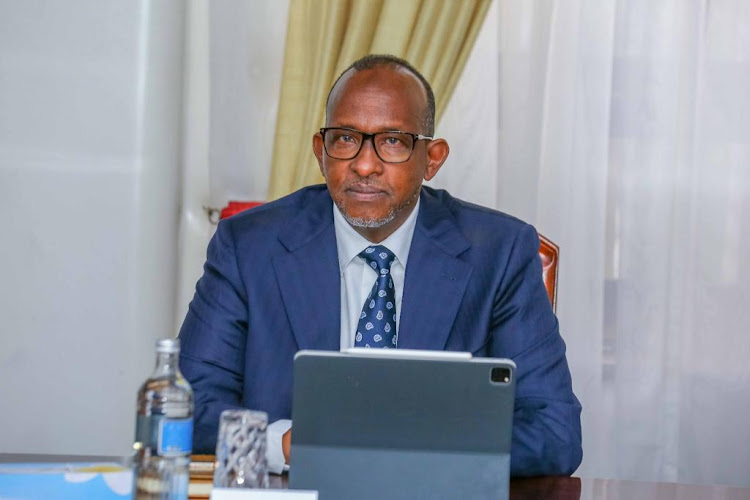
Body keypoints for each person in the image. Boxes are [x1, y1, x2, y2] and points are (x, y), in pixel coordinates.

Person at [178, 54, 582, 477]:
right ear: (321, 152)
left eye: (392, 141)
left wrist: (399, 447)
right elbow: (186, 409)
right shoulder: (249, 246)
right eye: (345, 139)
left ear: (433, 158)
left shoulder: (497, 253)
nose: (365, 165)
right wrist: (287, 444)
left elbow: (555, 432)